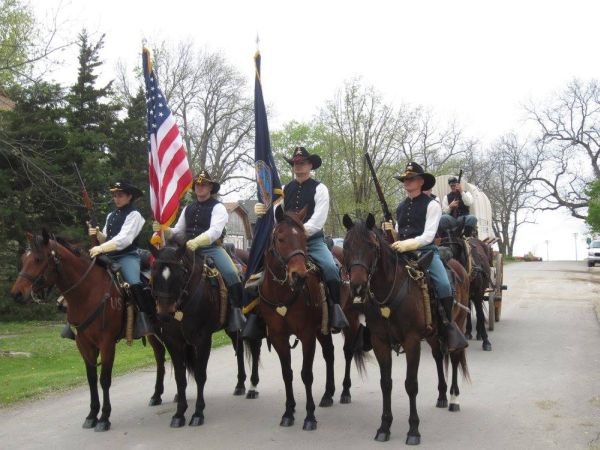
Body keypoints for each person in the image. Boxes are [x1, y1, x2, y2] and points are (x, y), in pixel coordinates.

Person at [254, 146, 349, 331]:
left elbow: (319, 218)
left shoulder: (320, 189)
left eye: (302, 163)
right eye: (295, 163)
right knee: (257, 268)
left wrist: (297, 233)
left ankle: (335, 310)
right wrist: (263, 211)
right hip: (286, 244)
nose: (298, 166)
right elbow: (276, 215)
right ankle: (256, 315)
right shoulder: (282, 190)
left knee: (330, 268)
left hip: (311, 241)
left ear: (310, 165)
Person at [382, 162, 467, 352]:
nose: (406, 182)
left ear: (420, 181)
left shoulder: (432, 205)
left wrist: (409, 243)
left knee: (444, 284)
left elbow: (429, 235)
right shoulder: (401, 207)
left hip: (425, 252)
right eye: (404, 179)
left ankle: (448, 325)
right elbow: (398, 233)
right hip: (402, 253)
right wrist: (391, 233)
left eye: (410, 179)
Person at [153, 170, 246, 333]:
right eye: (197, 184)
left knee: (231, 272)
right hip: (187, 250)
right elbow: (179, 231)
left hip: (211, 248)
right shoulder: (188, 208)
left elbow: (215, 231)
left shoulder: (218, 207)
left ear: (210, 187)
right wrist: (165, 230)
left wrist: (197, 241)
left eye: (204, 184)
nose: (200, 187)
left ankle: (237, 311)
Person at [88, 180, 153, 337]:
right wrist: (97, 234)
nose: (116, 198)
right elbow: (107, 239)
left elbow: (125, 239)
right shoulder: (111, 215)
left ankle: (145, 320)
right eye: (115, 195)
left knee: (133, 281)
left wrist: (101, 248)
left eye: (120, 195)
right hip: (109, 256)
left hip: (127, 256)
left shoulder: (134, 215)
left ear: (129, 196)